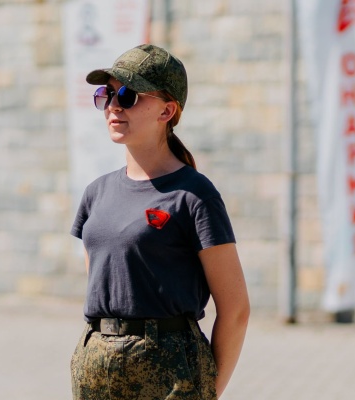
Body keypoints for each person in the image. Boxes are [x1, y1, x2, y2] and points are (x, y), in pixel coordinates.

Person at [70, 44, 250, 400]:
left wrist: (207, 392)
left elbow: (236, 309)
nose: (114, 105)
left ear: (167, 110)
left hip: (170, 374)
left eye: (128, 95)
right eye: (107, 94)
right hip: (96, 367)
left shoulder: (194, 195)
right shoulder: (96, 193)